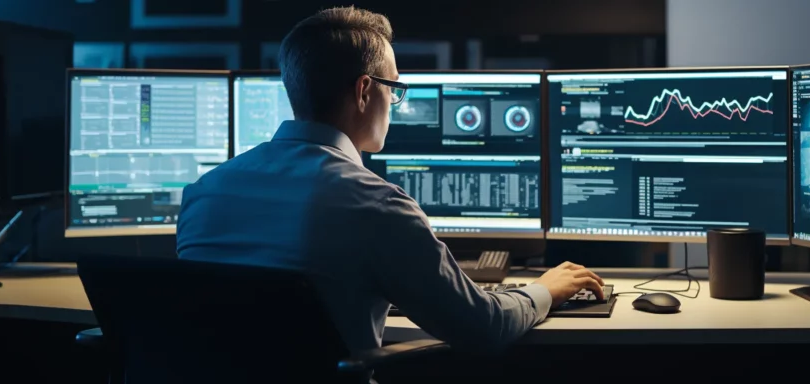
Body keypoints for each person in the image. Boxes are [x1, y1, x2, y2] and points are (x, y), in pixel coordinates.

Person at [175, 6, 605, 354]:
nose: (395, 102)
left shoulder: (203, 194)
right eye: (393, 88)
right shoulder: (377, 205)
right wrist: (544, 291)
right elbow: (482, 328)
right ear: (365, 91)